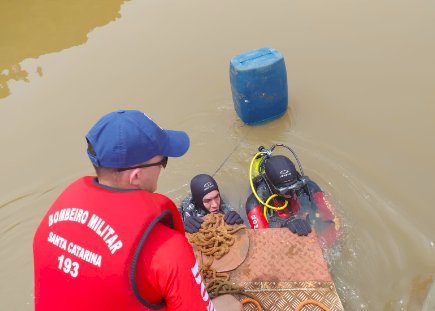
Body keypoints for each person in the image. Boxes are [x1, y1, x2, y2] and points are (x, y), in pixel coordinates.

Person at [32, 110, 215, 311]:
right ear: (136, 176)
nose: (162, 168)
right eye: (163, 161)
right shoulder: (167, 249)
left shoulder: (51, 224)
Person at [245, 145, 338, 247]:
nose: (290, 193)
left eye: (295, 187)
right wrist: (284, 225)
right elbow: (263, 241)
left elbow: (332, 221)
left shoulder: (310, 187)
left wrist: (321, 244)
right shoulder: (254, 203)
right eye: (285, 190)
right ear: (272, 187)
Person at [179, 174, 244, 233]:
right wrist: (182, 226)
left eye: (216, 197)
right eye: (208, 200)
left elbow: (228, 212)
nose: (215, 205)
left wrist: (235, 216)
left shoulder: (220, 202)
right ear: (199, 202)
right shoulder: (188, 208)